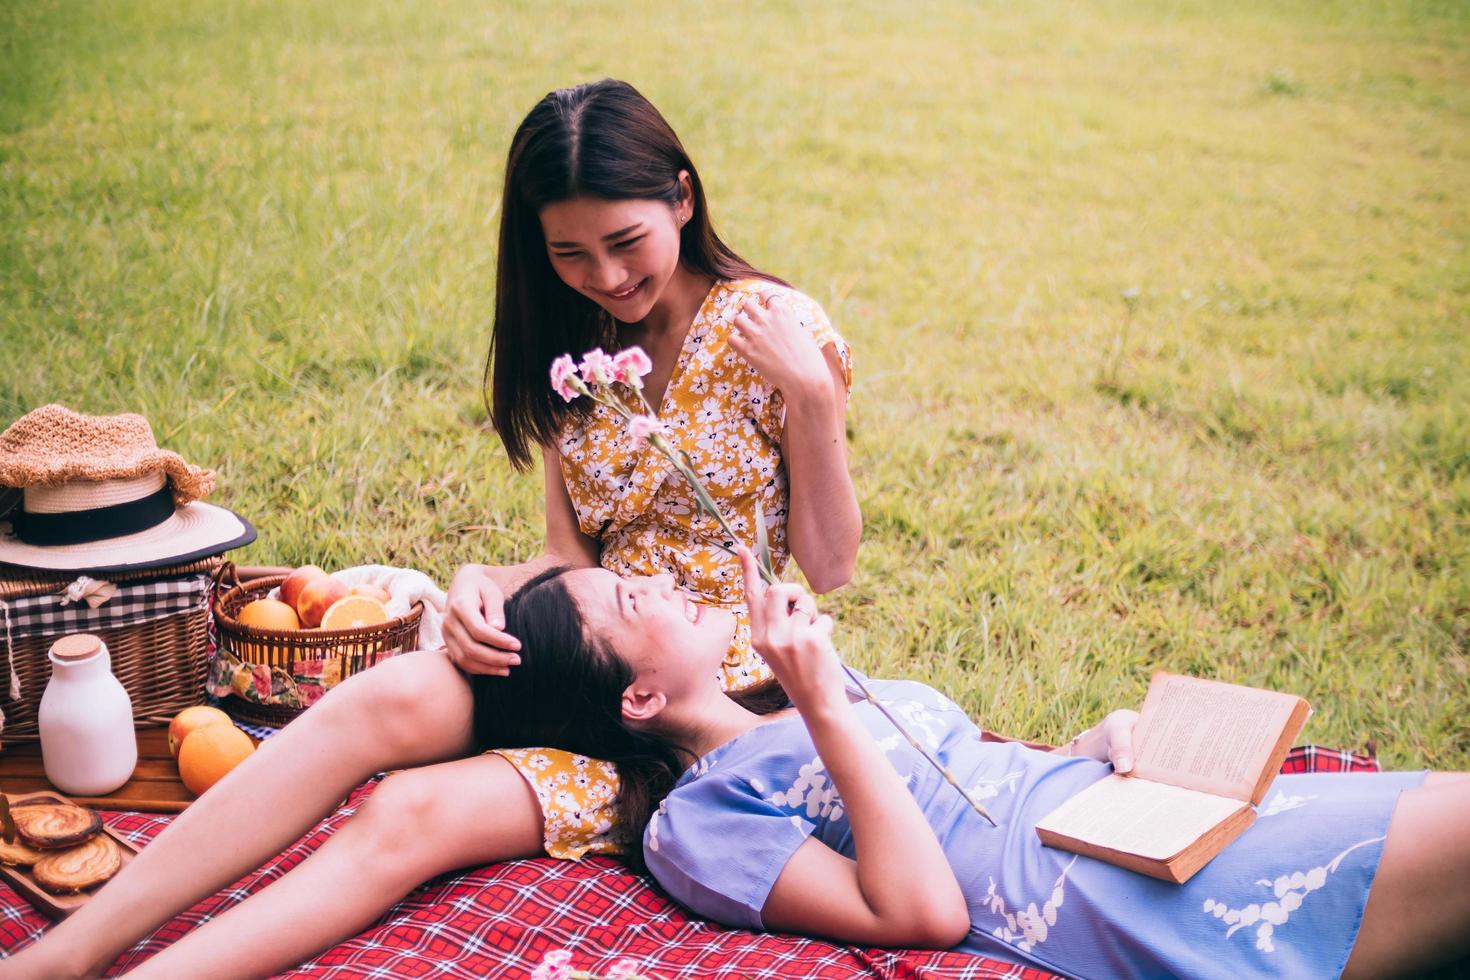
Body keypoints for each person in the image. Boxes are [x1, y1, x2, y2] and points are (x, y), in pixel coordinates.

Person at [2, 79, 859, 977]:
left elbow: (831, 565)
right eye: (570, 252)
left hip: (711, 696)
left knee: (408, 812)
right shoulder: (581, 350)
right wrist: (487, 584)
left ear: (682, 197)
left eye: (625, 242)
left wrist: (809, 397)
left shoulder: (776, 329)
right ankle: (70, 951)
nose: (606, 277)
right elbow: (568, 564)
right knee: (381, 698)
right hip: (584, 658)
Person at [469, 551, 1470, 980]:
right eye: (631, 600)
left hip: (1120, 811)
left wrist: (1090, 746)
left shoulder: (794, 693)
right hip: (1099, 890)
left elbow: (966, 777)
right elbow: (921, 911)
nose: (659, 579)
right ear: (636, 697)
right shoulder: (698, 820)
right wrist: (822, 701)